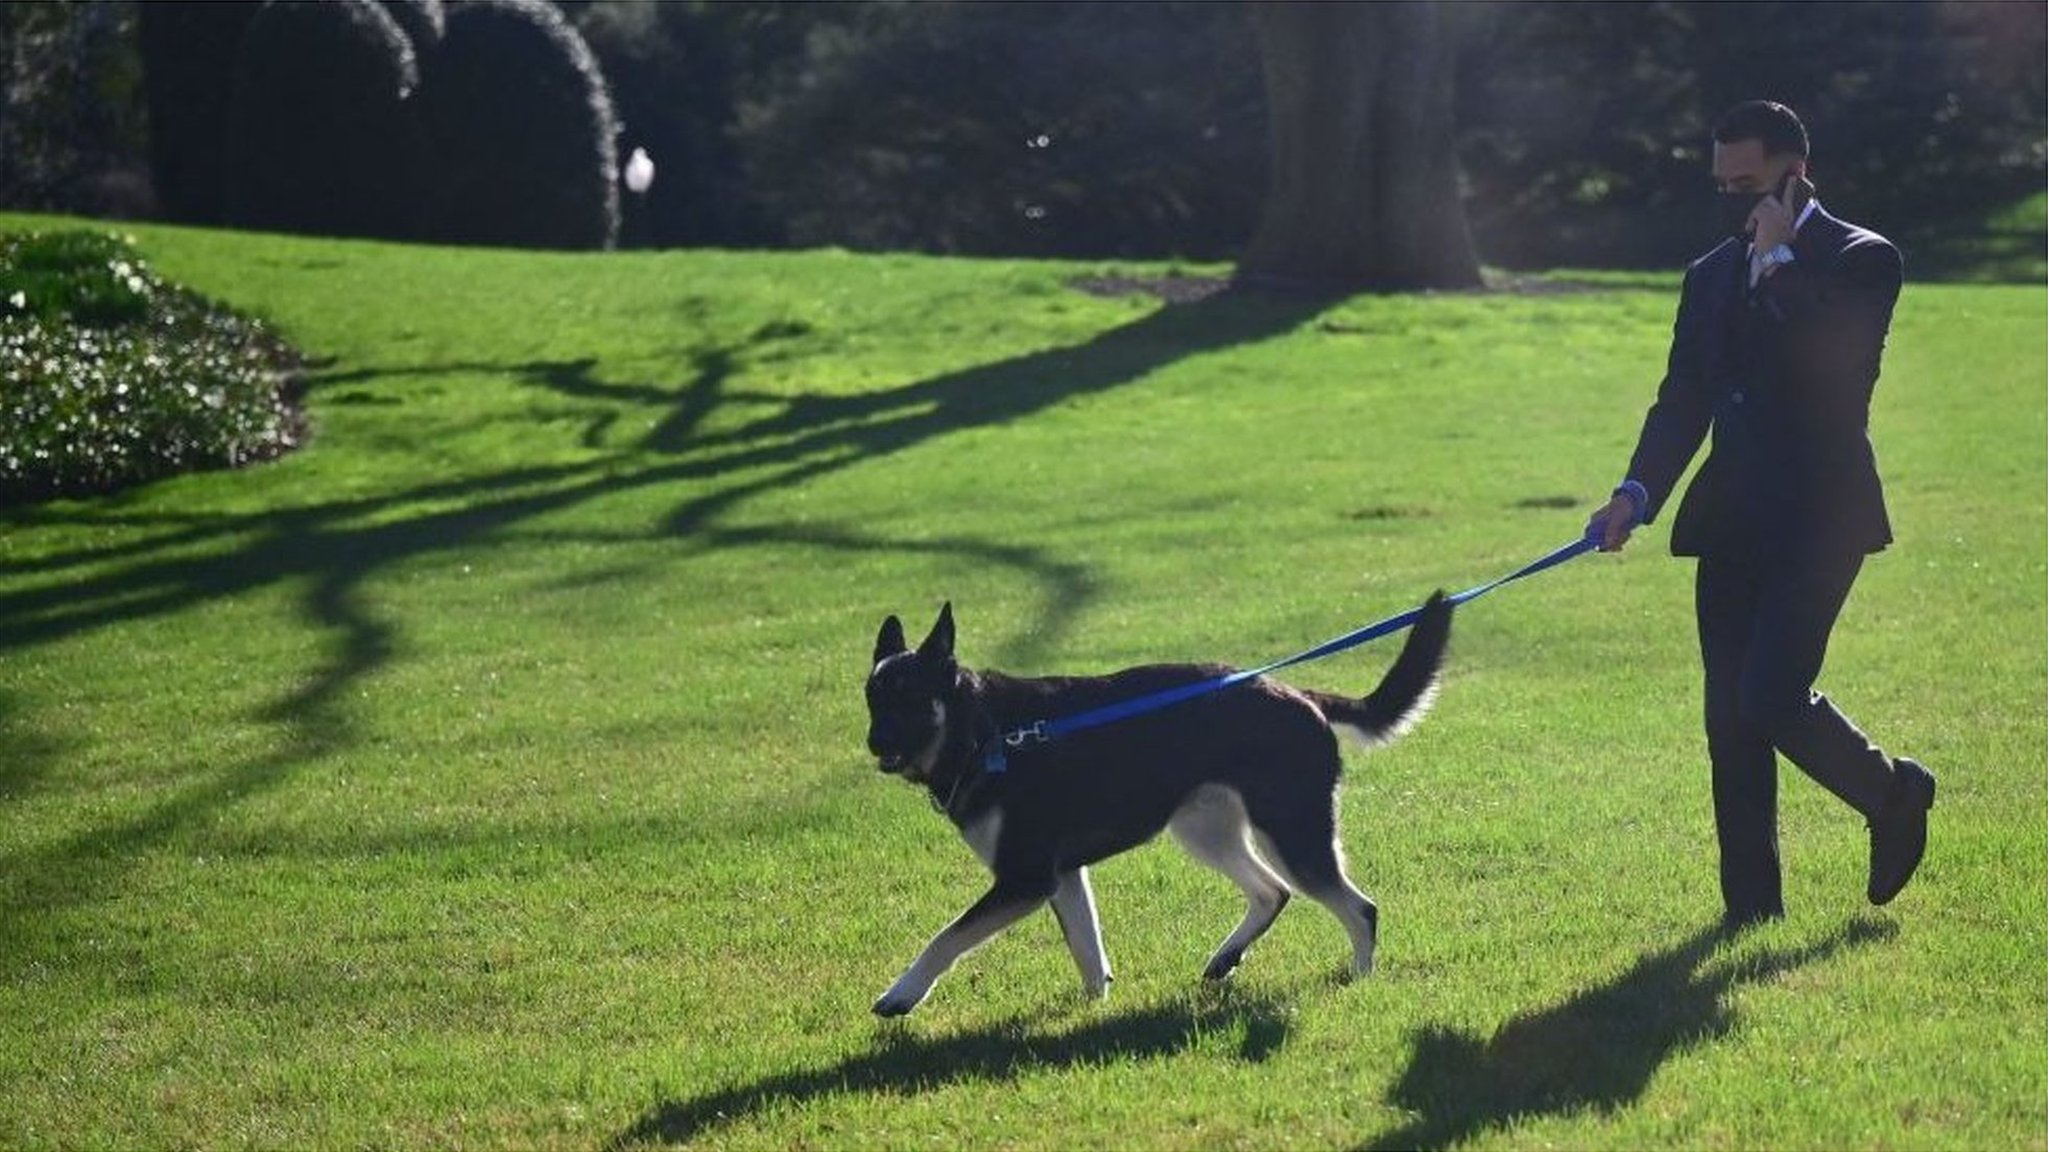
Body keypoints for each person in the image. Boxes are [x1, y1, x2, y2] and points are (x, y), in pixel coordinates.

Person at [1585, 100, 1935, 932]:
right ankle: (1751, 912)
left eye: (1744, 184)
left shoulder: (1862, 259)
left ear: (1794, 174)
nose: (1730, 198)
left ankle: (1892, 793)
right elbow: (1684, 398)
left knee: (1771, 694)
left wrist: (1778, 259)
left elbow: (1832, 370)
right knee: (1729, 720)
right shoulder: (1709, 273)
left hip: (1823, 517)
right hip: (1730, 521)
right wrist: (1635, 494)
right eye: (1720, 184)